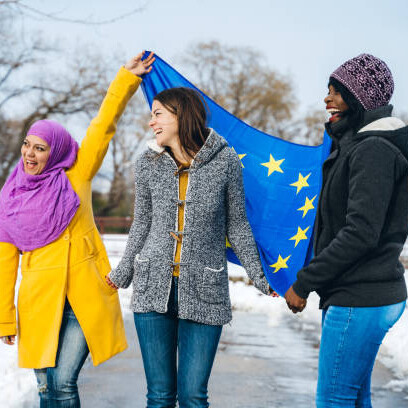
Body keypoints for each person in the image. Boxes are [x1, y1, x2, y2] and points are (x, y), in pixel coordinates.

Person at [0, 51, 155, 407]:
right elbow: (4, 263)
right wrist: (4, 318)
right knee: (45, 388)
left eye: (40, 148)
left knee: (64, 382)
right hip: (38, 302)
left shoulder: (77, 176)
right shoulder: (10, 196)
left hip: (82, 299)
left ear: (54, 152)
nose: (30, 153)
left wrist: (125, 80)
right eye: (27, 145)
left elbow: (102, 126)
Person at [106, 86, 273, 407]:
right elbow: (142, 222)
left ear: (180, 115)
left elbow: (237, 224)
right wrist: (124, 270)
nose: (151, 122)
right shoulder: (146, 164)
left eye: (157, 114)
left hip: (205, 289)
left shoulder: (225, 161)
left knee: (193, 396)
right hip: (152, 288)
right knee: (159, 396)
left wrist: (259, 276)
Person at [284, 54, 407, 407]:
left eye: (337, 91)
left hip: (361, 296)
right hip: (362, 293)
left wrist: (305, 281)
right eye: (328, 90)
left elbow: (361, 232)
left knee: (334, 400)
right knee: (353, 399)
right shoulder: (360, 145)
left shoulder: (373, 150)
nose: (327, 99)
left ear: (361, 99)